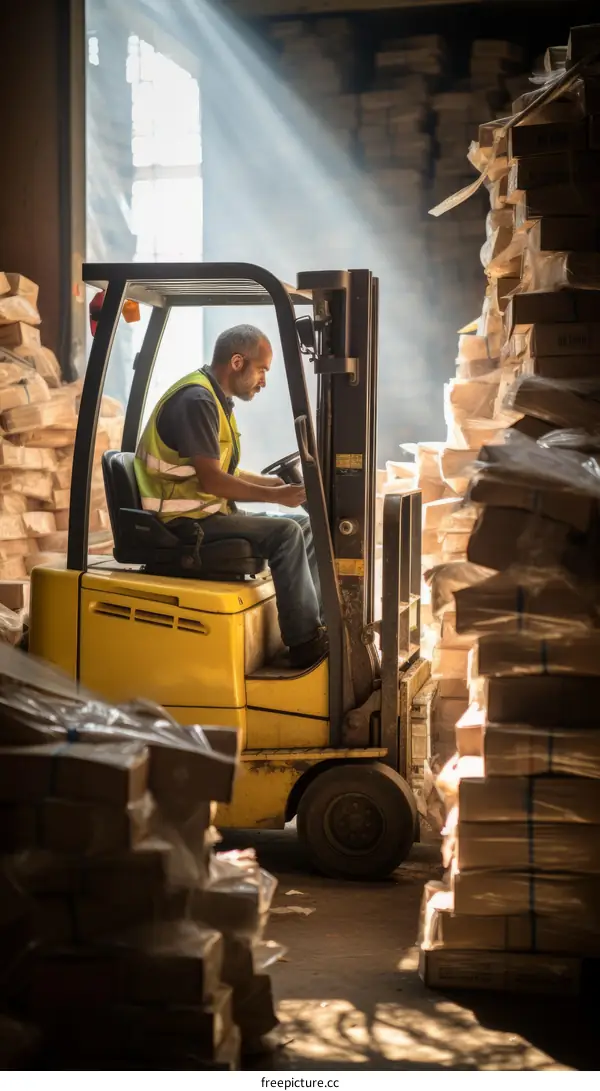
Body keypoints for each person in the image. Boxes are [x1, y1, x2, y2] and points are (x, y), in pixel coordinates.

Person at [134, 324, 327, 669]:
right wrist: (275, 497)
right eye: (262, 370)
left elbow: (224, 471)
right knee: (286, 532)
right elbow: (212, 481)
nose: (264, 381)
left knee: (302, 523)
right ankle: (305, 642)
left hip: (204, 513)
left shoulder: (214, 398)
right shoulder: (198, 401)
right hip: (184, 523)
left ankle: (319, 622)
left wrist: (274, 484)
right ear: (237, 362)